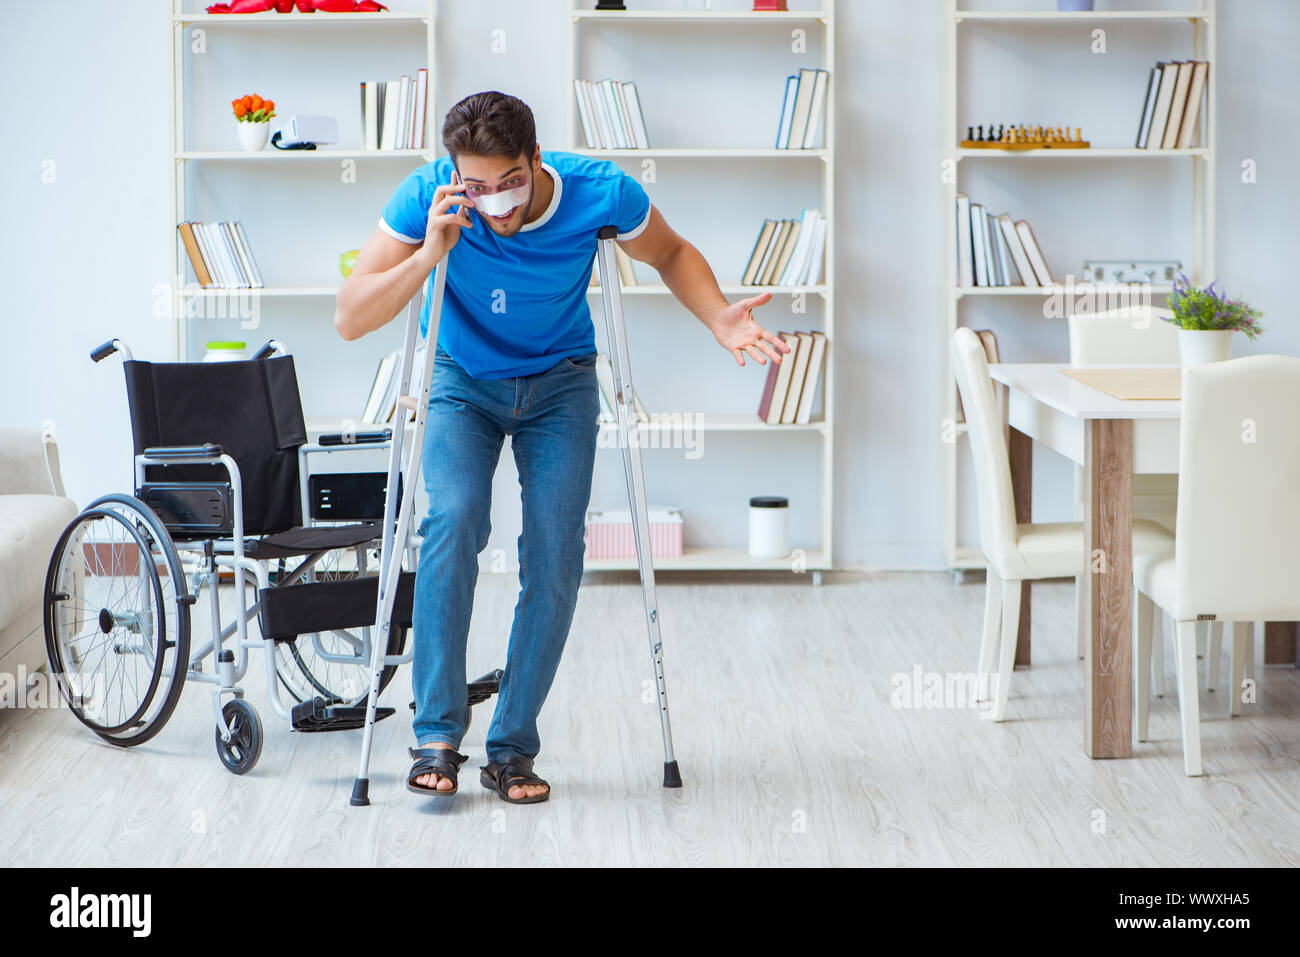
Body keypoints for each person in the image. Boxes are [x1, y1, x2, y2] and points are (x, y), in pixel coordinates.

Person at [335, 90, 786, 804]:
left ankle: (511, 746)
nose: (496, 205)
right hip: (461, 383)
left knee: (554, 551)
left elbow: (668, 250)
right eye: (476, 187)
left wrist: (719, 319)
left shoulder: (599, 189)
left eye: (509, 182)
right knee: (453, 521)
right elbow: (351, 316)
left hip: (561, 385)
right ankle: (438, 734)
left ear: (536, 160)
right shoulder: (430, 194)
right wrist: (430, 251)